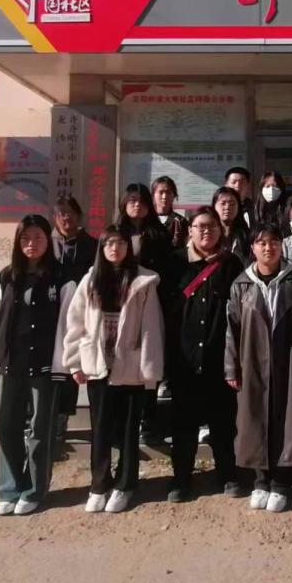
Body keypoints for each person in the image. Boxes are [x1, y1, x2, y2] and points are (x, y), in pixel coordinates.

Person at [0, 214, 74, 516]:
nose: (32, 243)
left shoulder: (61, 279)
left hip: (44, 367)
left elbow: (67, 326)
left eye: (38, 237)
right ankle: (9, 489)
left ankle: (33, 490)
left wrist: (62, 365)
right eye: (26, 238)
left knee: (39, 431)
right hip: (9, 365)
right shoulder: (7, 277)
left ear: (49, 241)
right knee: (6, 426)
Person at [62, 223, 164, 513]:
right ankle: (99, 484)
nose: (114, 248)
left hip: (130, 366)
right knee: (101, 429)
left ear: (128, 248)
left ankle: (125, 484)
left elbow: (151, 328)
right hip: (98, 364)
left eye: (120, 243)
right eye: (109, 243)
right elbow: (75, 322)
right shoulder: (91, 279)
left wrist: (150, 371)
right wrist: (74, 362)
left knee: (129, 430)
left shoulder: (143, 281)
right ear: (102, 248)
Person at [225, 223, 292, 513]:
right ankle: (260, 481)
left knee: (286, 421)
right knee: (254, 420)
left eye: (274, 242)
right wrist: (231, 368)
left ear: (281, 246)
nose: (268, 248)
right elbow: (232, 329)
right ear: (252, 248)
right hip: (251, 363)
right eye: (261, 243)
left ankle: (281, 483)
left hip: (287, 362)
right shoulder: (242, 284)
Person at [163, 206, 245, 502]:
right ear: (190, 230)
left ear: (220, 230)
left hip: (218, 359)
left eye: (211, 226)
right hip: (183, 360)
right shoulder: (174, 264)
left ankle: (228, 475)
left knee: (223, 423)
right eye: (200, 226)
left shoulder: (231, 264)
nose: (206, 231)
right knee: (183, 425)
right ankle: (181, 480)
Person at [117, 183, 172, 445]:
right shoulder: (116, 233)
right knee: (122, 359)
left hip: (152, 303)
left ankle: (149, 421)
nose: (137, 205)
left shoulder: (158, 234)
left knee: (148, 360)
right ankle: (123, 420)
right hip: (120, 306)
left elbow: (167, 269)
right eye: (132, 200)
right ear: (124, 203)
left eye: (141, 201)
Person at [50, 195, 99, 458]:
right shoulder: (47, 244)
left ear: (79, 216)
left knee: (74, 367)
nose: (66, 217)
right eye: (61, 213)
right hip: (49, 317)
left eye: (70, 212)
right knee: (52, 370)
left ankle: (64, 425)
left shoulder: (92, 245)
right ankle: (50, 426)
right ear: (54, 217)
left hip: (81, 317)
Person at [213, 186, 250, 264]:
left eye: (232, 204)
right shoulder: (208, 235)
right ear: (214, 206)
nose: (227, 207)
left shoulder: (247, 236)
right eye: (223, 203)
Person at [152, 175, 189, 250]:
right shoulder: (148, 220)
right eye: (161, 192)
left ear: (174, 195)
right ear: (153, 195)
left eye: (168, 192)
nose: (164, 196)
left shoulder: (181, 222)